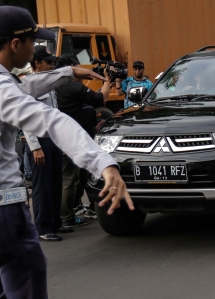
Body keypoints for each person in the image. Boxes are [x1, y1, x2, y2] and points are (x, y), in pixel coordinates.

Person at [0, 6, 133, 298]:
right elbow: (51, 119)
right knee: (28, 281)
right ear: (15, 45)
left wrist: (69, 72)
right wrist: (103, 162)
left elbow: (24, 86)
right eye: (33, 42)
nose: (36, 48)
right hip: (5, 211)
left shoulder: (9, 82)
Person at [55, 54, 111, 224]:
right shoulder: (73, 87)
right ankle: (66, 217)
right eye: (79, 67)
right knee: (71, 180)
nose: (84, 70)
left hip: (61, 138)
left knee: (70, 179)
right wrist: (107, 80)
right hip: (73, 141)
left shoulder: (54, 87)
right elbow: (101, 99)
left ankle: (68, 213)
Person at [23, 46, 69, 241]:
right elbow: (26, 119)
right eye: (49, 62)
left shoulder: (48, 85)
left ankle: (55, 222)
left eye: (53, 62)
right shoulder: (28, 85)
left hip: (53, 138)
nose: (52, 66)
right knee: (42, 186)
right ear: (37, 64)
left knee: (55, 182)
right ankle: (42, 227)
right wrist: (35, 147)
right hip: (39, 141)